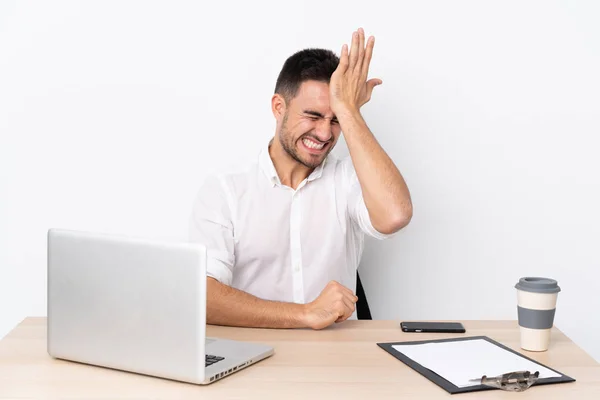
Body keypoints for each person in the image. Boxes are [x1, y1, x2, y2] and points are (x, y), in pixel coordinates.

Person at [189, 28, 412, 330]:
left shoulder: (348, 179)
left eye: (335, 120)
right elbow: (202, 297)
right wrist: (304, 313)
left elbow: (395, 215)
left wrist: (349, 110)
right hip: (253, 357)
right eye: (313, 116)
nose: (324, 133)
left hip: (339, 359)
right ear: (278, 107)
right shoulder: (226, 189)